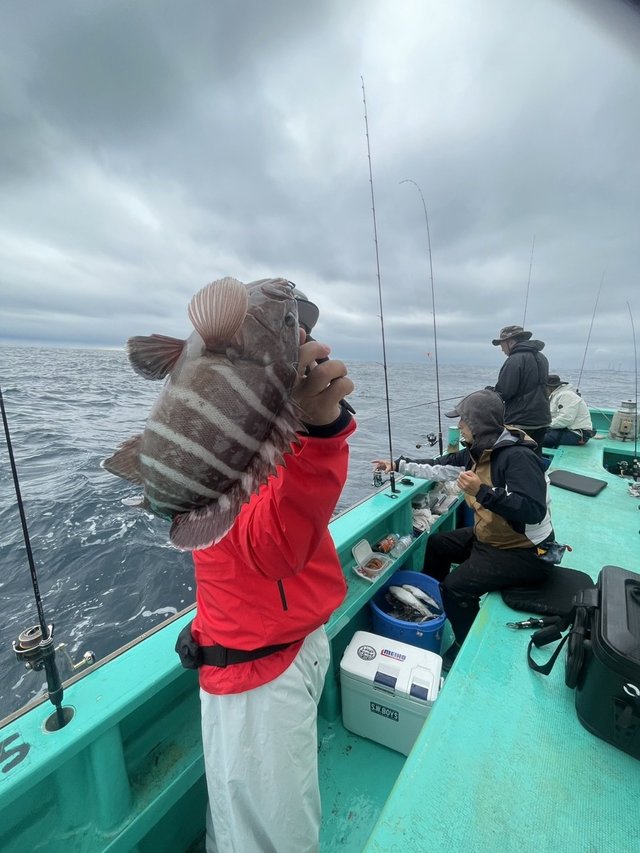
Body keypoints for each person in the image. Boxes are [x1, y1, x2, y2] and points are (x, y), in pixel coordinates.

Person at [191, 322, 355, 853]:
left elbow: (276, 544)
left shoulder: (271, 436)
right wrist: (316, 434)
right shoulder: (231, 439)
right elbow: (269, 548)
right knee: (264, 832)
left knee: (252, 829)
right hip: (262, 668)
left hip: (279, 657)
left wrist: (315, 431)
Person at [374, 389, 553, 672]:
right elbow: (438, 467)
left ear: (479, 424)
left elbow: (533, 509)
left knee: (455, 588)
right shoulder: (476, 452)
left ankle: (465, 643)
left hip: (525, 551)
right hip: (491, 536)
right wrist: (397, 465)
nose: (459, 426)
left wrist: (482, 491)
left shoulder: (518, 457)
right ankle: (431, 604)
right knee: (438, 545)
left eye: (464, 421)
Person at [490, 324, 551, 455]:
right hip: (542, 419)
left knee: (513, 456)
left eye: (502, 344)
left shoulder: (514, 360)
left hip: (520, 421)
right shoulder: (542, 358)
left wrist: (490, 392)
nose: (502, 349)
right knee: (535, 455)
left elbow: (504, 392)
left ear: (510, 342)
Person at [542, 374, 594, 448]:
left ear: (550, 387)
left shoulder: (567, 396)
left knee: (538, 438)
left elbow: (565, 419)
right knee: (538, 433)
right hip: (566, 430)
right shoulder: (557, 395)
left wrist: (543, 424)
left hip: (577, 434)